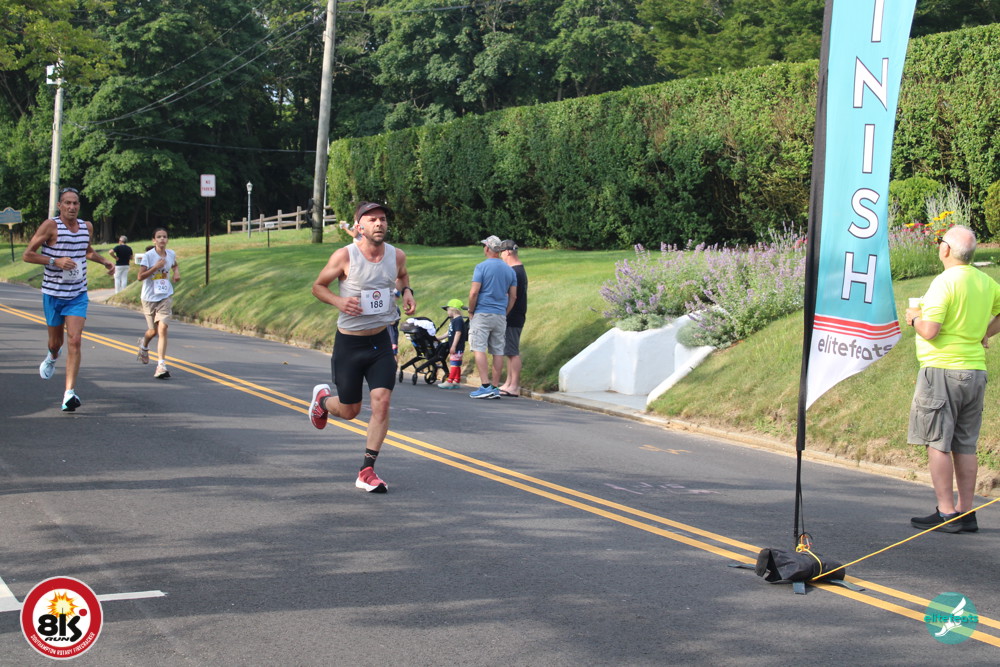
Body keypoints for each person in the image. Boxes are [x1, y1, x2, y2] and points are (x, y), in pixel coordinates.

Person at [308, 201, 416, 493]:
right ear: (359, 226)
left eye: (383, 219)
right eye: (372, 219)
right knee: (350, 410)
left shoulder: (396, 255)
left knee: (382, 401)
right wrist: (340, 301)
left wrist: (407, 292)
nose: (379, 223)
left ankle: (367, 470)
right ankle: (322, 402)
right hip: (350, 343)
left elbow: (402, 276)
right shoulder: (345, 256)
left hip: (380, 340)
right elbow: (318, 286)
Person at [905, 225, 1000, 534]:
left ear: (946, 249)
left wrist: (914, 318)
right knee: (965, 444)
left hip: (941, 370)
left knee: (937, 442)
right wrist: (985, 333)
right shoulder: (985, 281)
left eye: (939, 242)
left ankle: (946, 512)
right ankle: (966, 512)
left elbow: (930, 331)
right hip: (975, 371)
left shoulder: (944, 283)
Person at [23, 187, 115, 411]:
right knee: (56, 343)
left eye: (75, 203)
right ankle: (53, 355)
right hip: (53, 293)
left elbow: (86, 251)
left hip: (77, 293)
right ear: (59, 205)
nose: (72, 207)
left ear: (79, 206)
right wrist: (55, 261)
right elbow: (28, 255)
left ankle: (69, 393)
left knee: (75, 339)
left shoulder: (86, 227)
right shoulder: (50, 226)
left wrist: (104, 261)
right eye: (67, 203)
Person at [467, 235, 517, 399]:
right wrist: (505, 311)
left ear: (488, 248)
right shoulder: (510, 270)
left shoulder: (481, 267)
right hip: (500, 314)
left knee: (479, 348)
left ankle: (485, 385)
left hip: (482, 312)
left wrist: (471, 311)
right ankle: (495, 387)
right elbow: (513, 296)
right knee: (498, 350)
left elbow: (474, 292)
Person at [136, 228, 180, 379]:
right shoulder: (148, 256)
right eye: (159, 237)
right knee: (152, 331)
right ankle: (144, 345)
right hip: (149, 298)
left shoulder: (171, 254)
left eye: (164, 237)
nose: (162, 239)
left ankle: (161, 365)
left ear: (167, 239)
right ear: (154, 240)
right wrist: (155, 267)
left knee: (163, 328)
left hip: (164, 296)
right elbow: (140, 277)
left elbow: (174, 264)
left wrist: (176, 273)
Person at [497, 239, 527, 397]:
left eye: (502, 252)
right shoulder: (517, 269)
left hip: (513, 316)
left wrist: (504, 313)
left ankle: (514, 386)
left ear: (508, 251)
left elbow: (511, 296)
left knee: (513, 352)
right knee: (509, 351)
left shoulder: (514, 271)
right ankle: (508, 383)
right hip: (515, 315)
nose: (501, 255)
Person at [437, 298, 468, 389]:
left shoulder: (458, 320)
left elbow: (458, 333)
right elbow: (449, 332)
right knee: (457, 364)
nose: (447, 312)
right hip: (456, 346)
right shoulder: (454, 320)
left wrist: (453, 346)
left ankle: (449, 381)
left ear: (453, 310)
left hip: (457, 346)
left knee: (454, 364)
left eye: (447, 310)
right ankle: (456, 381)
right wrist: (438, 338)